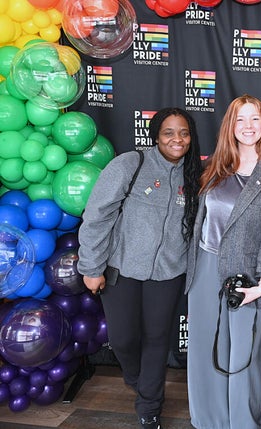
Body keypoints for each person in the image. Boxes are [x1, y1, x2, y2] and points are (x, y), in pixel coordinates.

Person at [77, 107, 203, 429]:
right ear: (155, 136)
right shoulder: (130, 164)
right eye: (169, 133)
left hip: (167, 274)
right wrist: (91, 265)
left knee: (158, 338)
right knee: (122, 340)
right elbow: (97, 215)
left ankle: (149, 405)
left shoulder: (195, 175)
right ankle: (137, 379)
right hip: (123, 270)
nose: (178, 139)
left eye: (184, 133)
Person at [185, 94, 261, 429]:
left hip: (248, 278)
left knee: (243, 356)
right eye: (240, 119)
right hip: (205, 268)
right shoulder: (215, 168)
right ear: (230, 126)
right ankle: (209, 420)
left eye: (254, 119)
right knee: (205, 349)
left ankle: (243, 420)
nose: (247, 127)